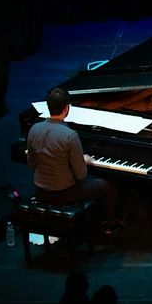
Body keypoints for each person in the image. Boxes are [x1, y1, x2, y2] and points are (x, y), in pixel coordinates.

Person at [27, 88, 120, 232]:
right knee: (109, 185)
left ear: (48, 106)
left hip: (40, 191)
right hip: (63, 194)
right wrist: (82, 160)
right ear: (67, 108)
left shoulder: (34, 129)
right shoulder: (70, 135)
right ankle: (107, 224)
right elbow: (81, 175)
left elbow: (31, 165)